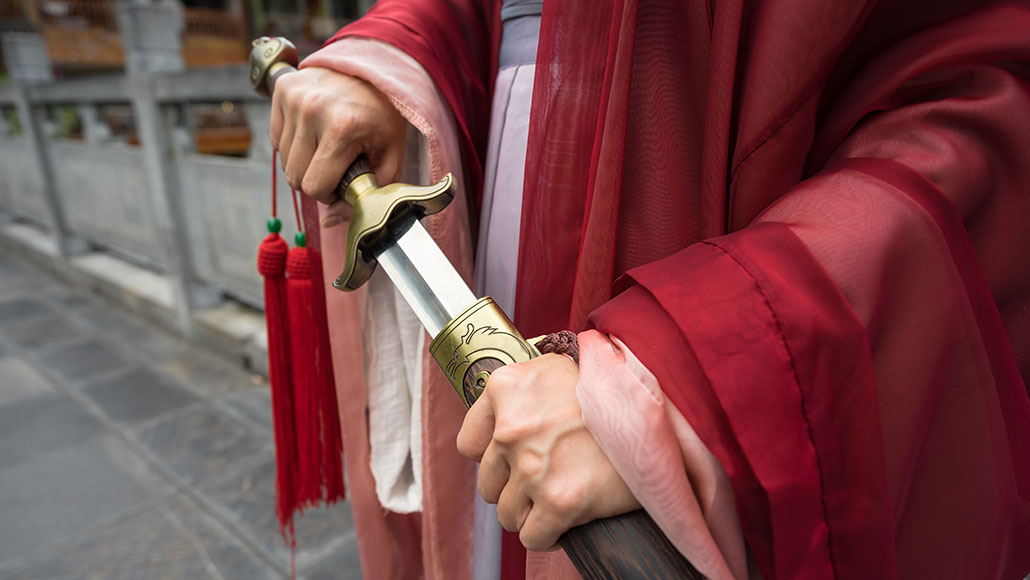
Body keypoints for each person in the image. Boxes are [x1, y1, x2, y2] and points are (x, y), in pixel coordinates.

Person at [270, 0, 1030, 578]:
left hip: (709, 221)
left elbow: (971, 104)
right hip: (499, 208)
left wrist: (677, 378)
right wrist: (388, 51)